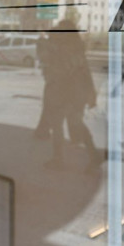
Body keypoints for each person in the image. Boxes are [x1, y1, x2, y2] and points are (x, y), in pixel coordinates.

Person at [43, 20, 101, 172]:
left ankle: (90, 156)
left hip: (67, 93)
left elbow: (61, 71)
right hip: (71, 92)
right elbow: (85, 72)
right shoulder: (73, 48)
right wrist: (91, 93)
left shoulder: (67, 49)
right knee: (66, 124)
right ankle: (62, 158)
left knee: (67, 125)